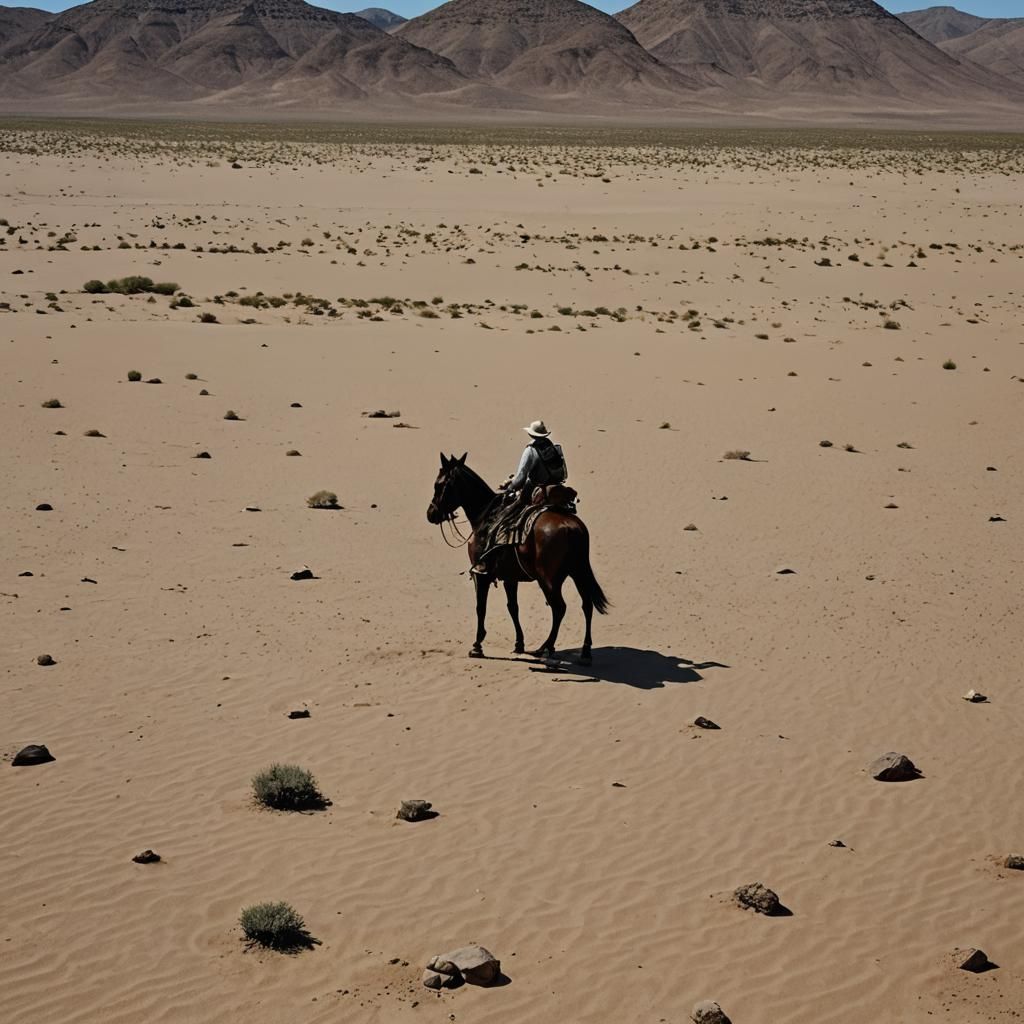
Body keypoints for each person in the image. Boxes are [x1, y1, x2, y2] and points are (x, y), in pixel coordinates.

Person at [471, 421, 568, 576]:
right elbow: (562, 473)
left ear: (531, 434)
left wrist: (509, 487)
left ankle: (488, 560)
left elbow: (521, 478)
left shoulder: (531, 450)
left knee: (502, 518)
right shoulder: (552, 448)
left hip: (535, 492)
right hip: (555, 490)